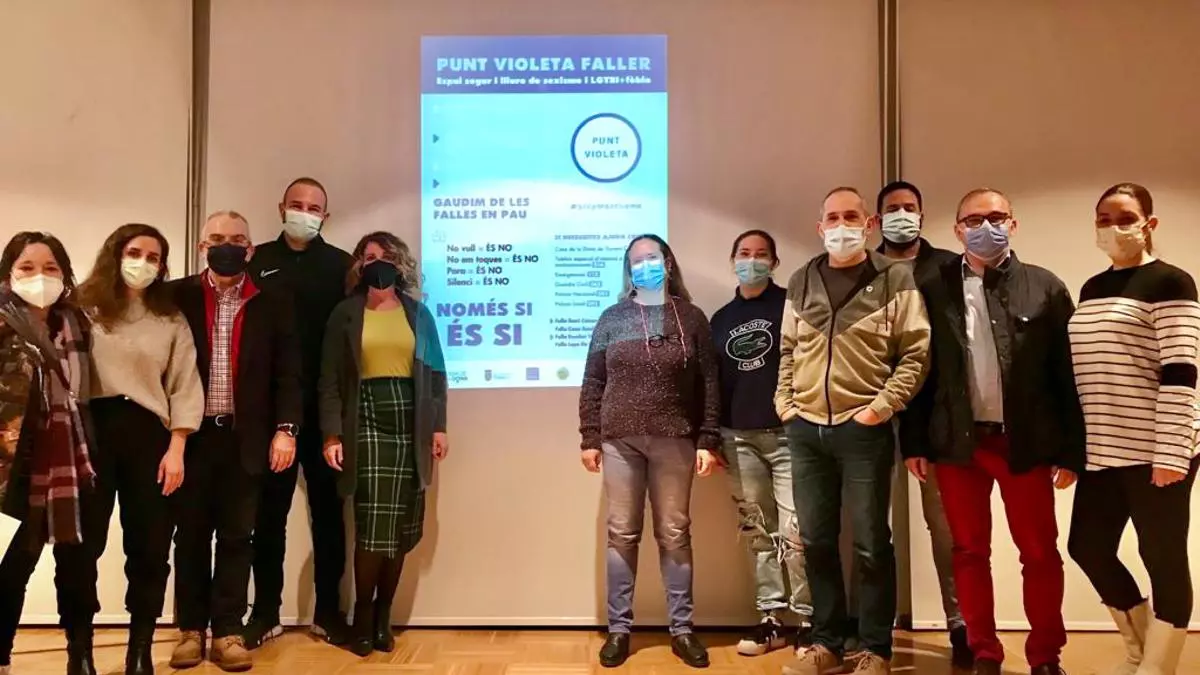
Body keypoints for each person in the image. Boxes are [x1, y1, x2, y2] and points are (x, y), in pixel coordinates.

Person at [904, 188, 1083, 675]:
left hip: (1025, 443)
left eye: (997, 217)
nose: (986, 227)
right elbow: (921, 370)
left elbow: (1066, 374)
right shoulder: (932, 286)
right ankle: (984, 650)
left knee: (1039, 553)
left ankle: (1045, 656)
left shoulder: (1045, 287)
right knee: (968, 551)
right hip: (957, 444)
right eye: (974, 220)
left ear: (1013, 223)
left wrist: (1071, 450)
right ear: (957, 229)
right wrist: (915, 441)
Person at [778, 187, 930, 675]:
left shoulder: (894, 277)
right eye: (832, 218)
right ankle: (826, 643)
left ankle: (875, 648)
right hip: (806, 430)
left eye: (851, 217)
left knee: (870, 544)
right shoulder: (802, 278)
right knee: (816, 541)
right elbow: (787, 350)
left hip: (864, 431)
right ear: (819, 227)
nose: (841, 226)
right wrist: (786, 405)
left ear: (868, 225)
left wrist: (880, 409)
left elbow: (916, 352)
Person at [1067, 183, 1200, 675]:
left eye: (1125, 217)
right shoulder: (1092, 288)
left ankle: (1158, 668)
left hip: (1157, 449)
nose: (1113, 228)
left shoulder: (1171, 282)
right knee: (1087, 547)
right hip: (1103, 448)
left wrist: (1172, 453)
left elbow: (1181, 371)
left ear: (1149, 223)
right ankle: (1139, 653)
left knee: (1161, 556)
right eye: (1103, 219)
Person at [167, 211, 302, 672]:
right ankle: (190, 630)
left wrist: (286, 429)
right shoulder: (178, 296)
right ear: (202, 246)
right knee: (189, 537)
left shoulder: (272, 299)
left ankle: (227, 630)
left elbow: (289, 372)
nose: (228, 246)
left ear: (250, 249)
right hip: (191, 437)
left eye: (238, 239)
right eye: (217, 238)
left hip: (245, 439)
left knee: (237, 537)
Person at [579, 234, 720, 669]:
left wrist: (708, 439)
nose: (645, 266)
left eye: (651, 258)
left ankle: (682, 630)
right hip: (619, 440)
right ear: (628, 270)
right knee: (622, 533)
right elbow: (593, 380)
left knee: (674, 533)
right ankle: (619, 630)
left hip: (676, 439)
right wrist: (589, 437)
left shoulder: (691, 317)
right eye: (636, 261)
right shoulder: (611, 317)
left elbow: (709, 383)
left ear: (668, 263)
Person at [76, 224, 205, 675]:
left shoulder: (170, 319)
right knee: (81, 548)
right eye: (135, 253)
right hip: (91, 434)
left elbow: (184, 384)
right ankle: (80, 652)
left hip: (150, 437)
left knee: (149, 549)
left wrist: (177, 447)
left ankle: (140, 651)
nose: (143, 264)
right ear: (115, 254)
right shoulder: (83, 309)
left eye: (154, 258)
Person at [318, 231, 448, 657]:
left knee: (403, 526)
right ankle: (362, 614)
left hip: (412, 421)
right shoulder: (345, 313)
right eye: (369, 256)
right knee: (373, 526)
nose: (377, 263)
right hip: (366, 421)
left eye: (386, 257)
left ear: (399, 264)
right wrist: (332, 433)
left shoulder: (418, 314)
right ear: (359, 264)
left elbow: (435, 375)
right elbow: (330, 379)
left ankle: (383, 616)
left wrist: (439, 426)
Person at [244, 177, 354, 648]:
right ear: (280, 208)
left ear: (325, 216)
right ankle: (264, 612)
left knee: (329, 516)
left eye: (313, 208)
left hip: (326, 412)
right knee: (268, 516)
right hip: (271, 416)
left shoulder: (343, 266)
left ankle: (328, 612)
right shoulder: (257, 262)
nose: (304, 213)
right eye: (296, 205)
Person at [876, 181, 972, 669]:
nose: (902, 215)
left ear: (922, 214)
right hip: (871, 414)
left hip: (935, 418)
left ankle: (961, 622)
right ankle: (874, 627)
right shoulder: (862, 270)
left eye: (909, 208)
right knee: (870, 526)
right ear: (877, 220)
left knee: (946, 526)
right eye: (892, 209)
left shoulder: (950, 269)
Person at [0, 232, 101, 675]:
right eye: (27, 267)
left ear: (64, 274)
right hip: (13, 468)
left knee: (78, 568)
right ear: (8, 274)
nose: (39, 277)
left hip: (74, 463)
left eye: (50, 268)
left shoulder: (80, 324)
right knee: (10, 570)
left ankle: (80, 654)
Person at [708, 229, 812, 656]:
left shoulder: (793, 305)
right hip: (738, 439)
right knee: (759, 532)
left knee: (797, 532)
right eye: (744, 253)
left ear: (775, 262)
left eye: (762, 254)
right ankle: (771, 619)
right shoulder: (720, 319)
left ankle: (809, 620)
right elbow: (712, 385)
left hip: (789, 436)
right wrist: (710, 436)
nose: (752, 260)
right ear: (732, 260)